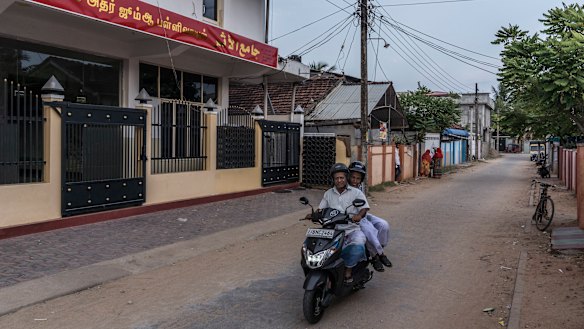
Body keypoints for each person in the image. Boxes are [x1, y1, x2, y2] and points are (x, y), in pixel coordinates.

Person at [317, 163, 369, 284]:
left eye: (342, 178)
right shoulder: (328, 193)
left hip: (351, 229)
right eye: (336, 178)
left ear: (346, 178)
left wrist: (359, 216)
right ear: (333, 179)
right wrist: (315, 214)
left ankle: (348, 269)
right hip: (332, 230)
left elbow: (364, 208)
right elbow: (321, 209)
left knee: (359, 244)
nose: (339, 180)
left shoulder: (356, 193)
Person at [348, 161, 393, 272]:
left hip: (363, 215)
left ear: (361, 179)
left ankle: (377, 250)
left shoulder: (360, 187)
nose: (355, 181)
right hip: (352, 218)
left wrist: (362, 214)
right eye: (353, 177)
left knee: (383, 225)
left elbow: (365, 205)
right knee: (368, 231)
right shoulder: (344, 188)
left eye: (358, 178)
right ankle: (377, 256)